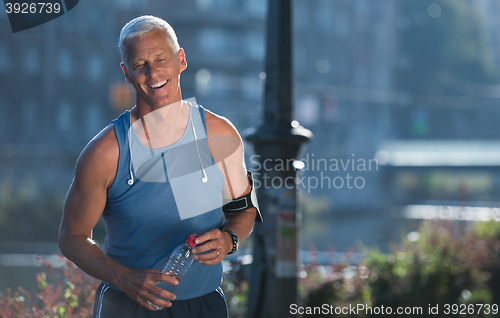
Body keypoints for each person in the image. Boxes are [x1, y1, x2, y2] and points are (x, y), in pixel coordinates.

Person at [58, 15, 262, 318]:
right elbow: (71, 238)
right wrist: (123, 279)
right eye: (140, 64)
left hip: (205, 306)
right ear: (127, 73)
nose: (153, 73)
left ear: (181, 60)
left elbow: (244, 209)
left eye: (161, 59)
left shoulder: (220, 135)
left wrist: (229, 240)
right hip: (127, 306)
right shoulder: (105, 153)